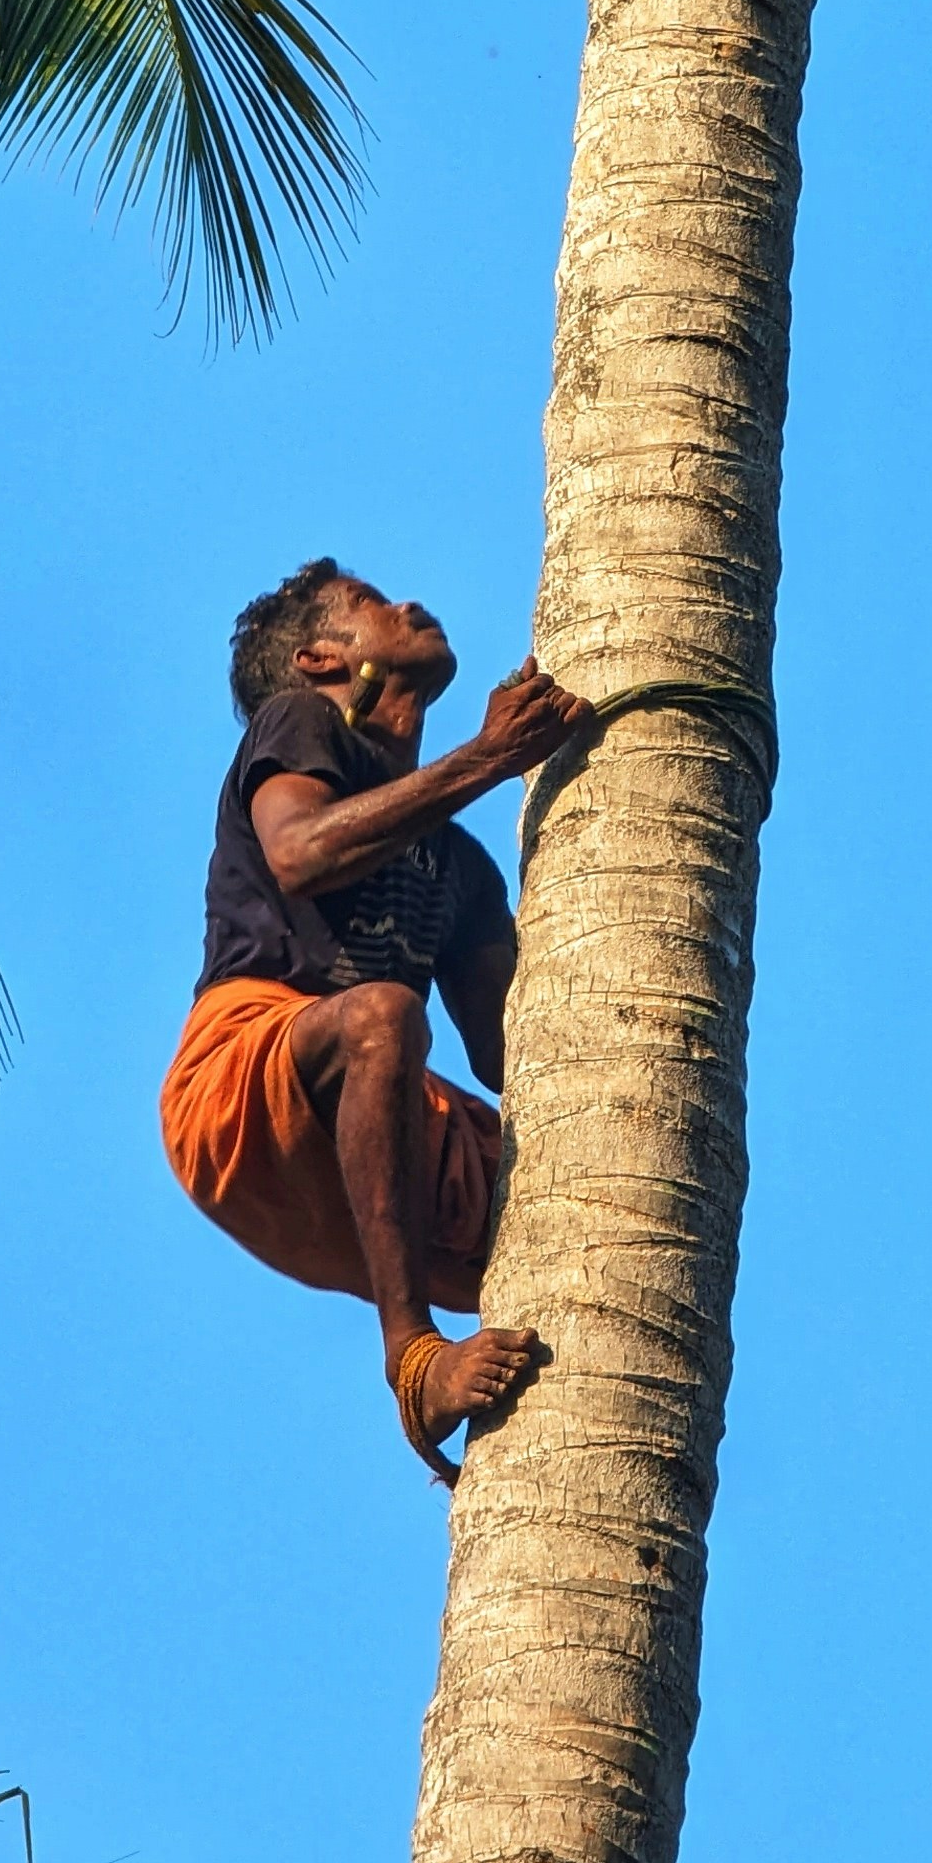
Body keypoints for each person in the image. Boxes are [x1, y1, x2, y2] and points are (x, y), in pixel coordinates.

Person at [159, 558, 591, 1483]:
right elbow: (300, 852)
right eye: (370, 604)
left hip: (365, 1128)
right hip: (242, 1083)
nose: (407, 603)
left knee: (565, 1188)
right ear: (321, 659)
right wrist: (487, 759)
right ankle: (413, 1360)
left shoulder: (461, 868)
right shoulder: (301, 723)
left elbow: (518, 1053)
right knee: (385, 1016)